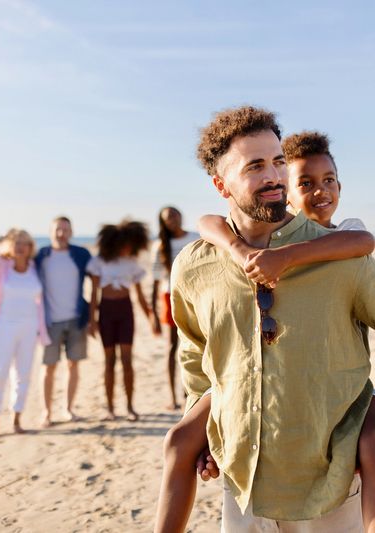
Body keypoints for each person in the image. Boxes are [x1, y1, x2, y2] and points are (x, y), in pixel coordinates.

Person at [162, 106, 375, 532]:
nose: (274, 177)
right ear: (221, 184)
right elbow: (195, 355)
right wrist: (202, 426)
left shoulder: (343, 257)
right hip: (242, 485)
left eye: (278, 161)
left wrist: (369, 426)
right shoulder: (193, 265)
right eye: (255, 166)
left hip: (329, 484)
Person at [0, 229, 50, 440]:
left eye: (24, 243)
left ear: (30, 248)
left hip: (28, 328)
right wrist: (2, 237)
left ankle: (17, 420)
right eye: (16, 242)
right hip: (3, 328)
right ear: (10, 245)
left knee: (23, 375)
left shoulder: (35, 268)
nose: (20, 246)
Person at [88, 220, 152, 422]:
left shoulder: (132, 264)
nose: (128, 248)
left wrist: (151, 317)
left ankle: (130, 406)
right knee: (109, 361)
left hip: (125, 312)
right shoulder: (99, 262)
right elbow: (94, 293)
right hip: (106, 311)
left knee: (127, 361)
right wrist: (92, 320)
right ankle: (109, 408)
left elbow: (139, 295)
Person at [35, 216, 91, 427]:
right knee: (48, 367)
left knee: (73, 364)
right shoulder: (42, 255)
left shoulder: (80, 254)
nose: (61, 233)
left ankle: (68, 409)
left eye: (66, 229)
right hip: (50, 322)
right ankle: (46, 412)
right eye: (58, 229)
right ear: (50, 231)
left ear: (71, 232)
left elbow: (97, 273)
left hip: (76, 319)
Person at [151, 207, 199, 409]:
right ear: (164, 222)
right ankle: (172, 396)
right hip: (170, 296)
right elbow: (155, 281)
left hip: (196, 295)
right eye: (168, 217)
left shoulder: (196, 237)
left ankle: (192, 392)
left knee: (197, 345)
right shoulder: (161, 246)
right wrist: (153, 313)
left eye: (175, 214)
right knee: (173, 347)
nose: (173, 219)